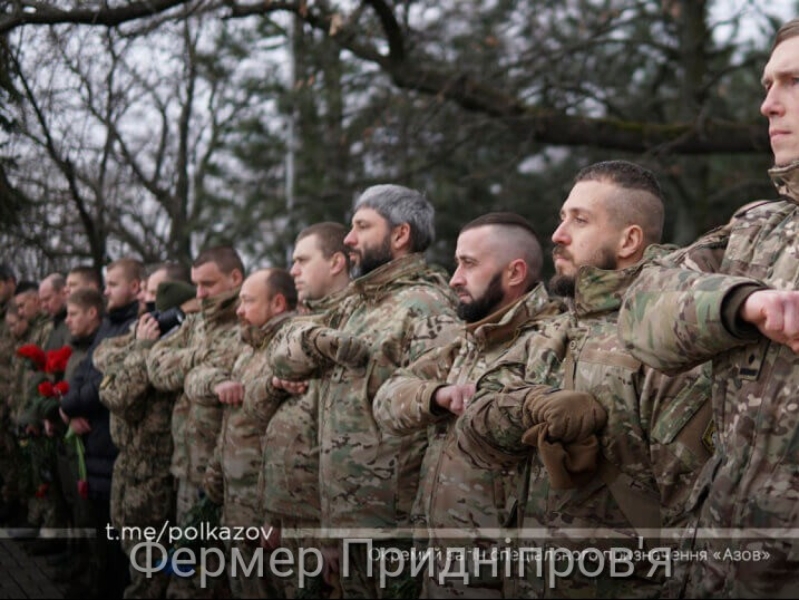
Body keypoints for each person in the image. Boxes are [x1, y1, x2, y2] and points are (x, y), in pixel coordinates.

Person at [458, 161, 713, 598]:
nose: (557, 234)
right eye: (562, 217)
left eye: (580, 220)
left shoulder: (666, 347)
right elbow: (472, 435)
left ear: (629, 240)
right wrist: (527, 407)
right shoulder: (552, 332)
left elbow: (695, 527)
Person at [617, 18, 799, 599]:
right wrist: (742, 304)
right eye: (768, 85)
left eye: (794, 82)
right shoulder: (759, 229)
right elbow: (641, 308)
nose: (769, 104)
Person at [268, 184, 462, 598]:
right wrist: (333, 530)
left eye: (361, 226)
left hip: (394, 528)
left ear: (400, 235)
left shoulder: (427, 306)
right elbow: (281, 356)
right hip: (348, 520)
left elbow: (438, 419)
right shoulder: (356, 305)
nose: (349, 239)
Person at [372, 212, 560, 599]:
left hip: (502, 574)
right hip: (440, 563)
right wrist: (437, 395)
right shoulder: (466, 341)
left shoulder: (551, 342)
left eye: (469, 264)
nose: (455, 278)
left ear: (514, 273)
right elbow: (387, 400)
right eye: (457, 263)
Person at [146, 245, 244, 599]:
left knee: (213, 578)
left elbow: (232, 372)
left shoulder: (247, 320)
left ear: (236, 278)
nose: (199, 294)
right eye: (195, 285)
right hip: (186, 467)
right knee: (187, 573)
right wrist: (201, 358)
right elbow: (156, 365)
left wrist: (187, 364)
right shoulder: (199, 323)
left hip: (222, 473)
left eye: (208, 284)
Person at [262, 222, 351, 599]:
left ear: (336, 262)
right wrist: (272, 516)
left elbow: (352, 438)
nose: (293, 270)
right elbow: (256, 405)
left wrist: (335, 533)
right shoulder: (298, 326)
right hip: (288, 512)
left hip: (323, 518)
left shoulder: (354, 324)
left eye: (302, 260)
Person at [95, 262, 195, 599]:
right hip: (129, 465)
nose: (144, 299)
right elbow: (103, 354)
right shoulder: (145, 333)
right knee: (131, 555)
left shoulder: (174, 342)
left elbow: (117, 395)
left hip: (156, 471)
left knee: (151, 570)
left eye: (153, 293)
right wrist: (138, 347)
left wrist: (141, 351)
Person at [201, 268, 297, 599]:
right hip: (237, 500)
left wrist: (277, 514)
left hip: (262, 507)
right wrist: (215, 476)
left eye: (247, 301)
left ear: (278, 303)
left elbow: (294, 438)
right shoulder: (250, 347)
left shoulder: (289, 351)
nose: (239, 310)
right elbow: (234, 421)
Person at [59, 257, 143, 598]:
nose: (104, 290)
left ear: (135, 287)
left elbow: (104, 386)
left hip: (111, 448)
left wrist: (70, 404)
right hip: (94, 448)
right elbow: (82, 375)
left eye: (111, 284)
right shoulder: (109, 325)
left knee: (115, 544)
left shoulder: (133, 327)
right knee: (98, 533)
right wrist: (67, 407)